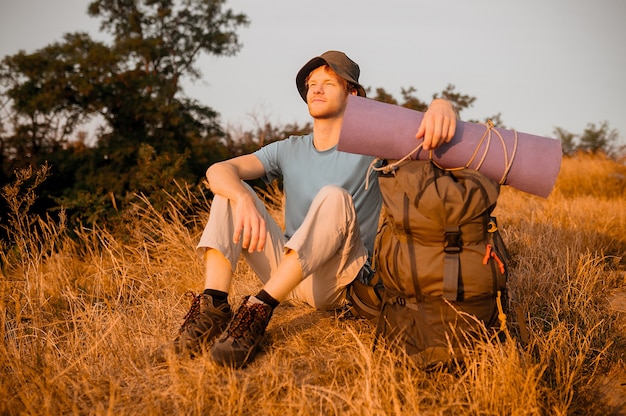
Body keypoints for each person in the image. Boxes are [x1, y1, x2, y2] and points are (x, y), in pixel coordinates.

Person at [166, 50, 457, 368]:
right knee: (229, 193)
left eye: (329, 83)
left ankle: (257, 311)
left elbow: (429, 140)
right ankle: (214, 308)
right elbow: (218, 170)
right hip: (288, 276)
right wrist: (244, 197)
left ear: (353, 94)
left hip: (339, 281)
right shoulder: (289, 148)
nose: (316, 89)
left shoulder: (375, 148)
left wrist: (443, 106)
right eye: (311, 83)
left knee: (334, 196)